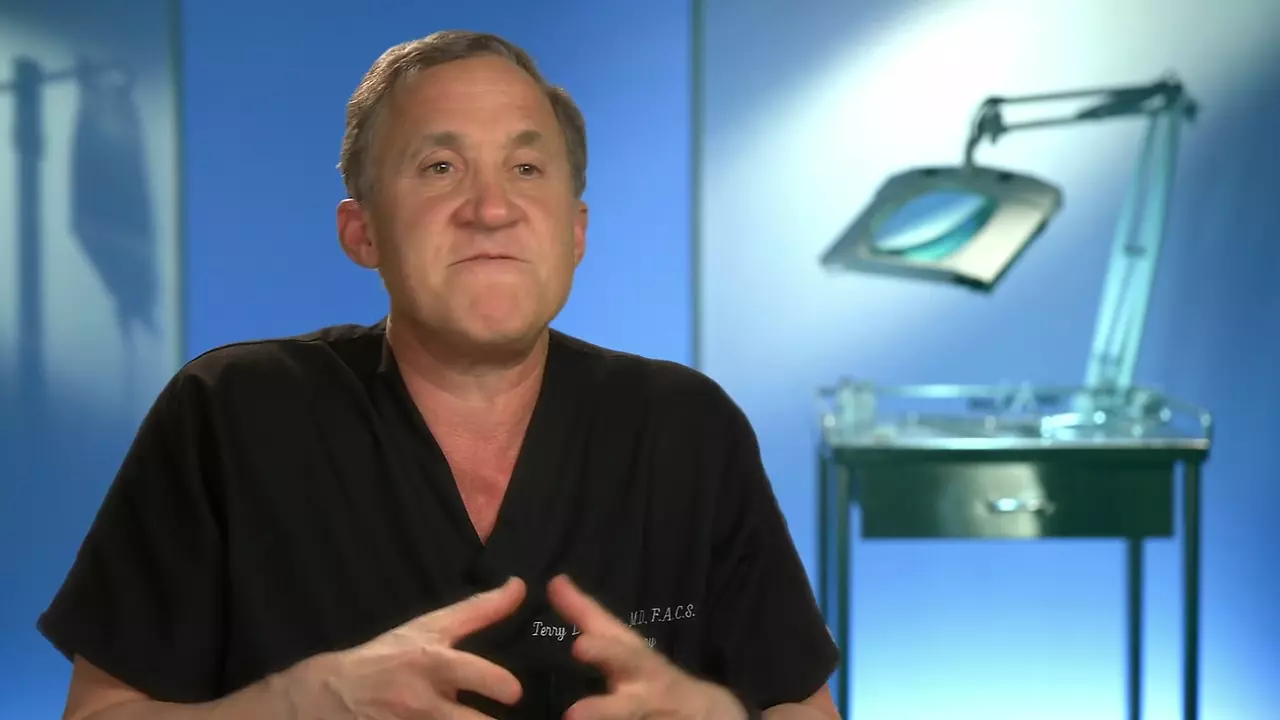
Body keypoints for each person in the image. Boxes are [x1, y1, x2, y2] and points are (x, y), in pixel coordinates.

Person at [38, 30, 841, 720]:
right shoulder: (231, 415)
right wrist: (295, 704)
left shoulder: (685, 429)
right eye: (440, 167)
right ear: (362, 231)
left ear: (576, 232)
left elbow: (799, 705)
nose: (491, 209)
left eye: (527, 169)